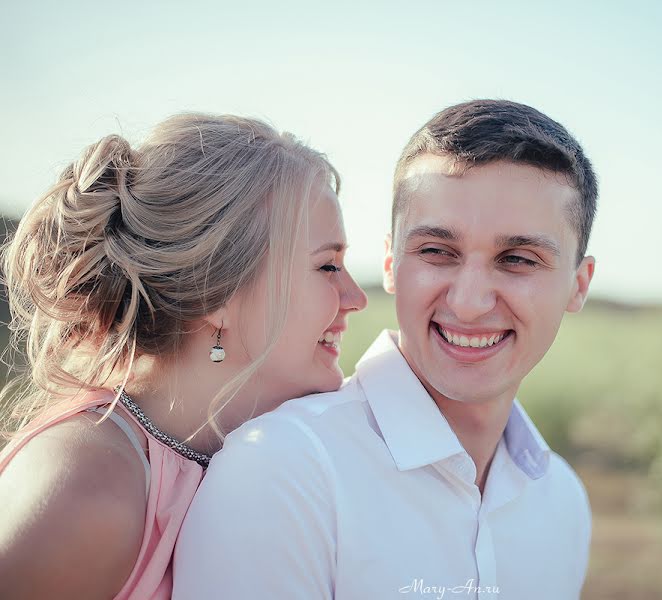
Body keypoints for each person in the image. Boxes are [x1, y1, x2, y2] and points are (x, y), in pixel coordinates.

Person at [173, 99, 597, 599]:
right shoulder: (284, 471)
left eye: (518, 259)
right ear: (393, 265)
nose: (468, 303)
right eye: (437, 252)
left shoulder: (562, 501)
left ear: (578, 284)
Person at [0, 113, 367, 599]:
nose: (357, 297)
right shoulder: (89, 488)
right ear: (218, 294)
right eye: (327, 265)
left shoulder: (275, 468)